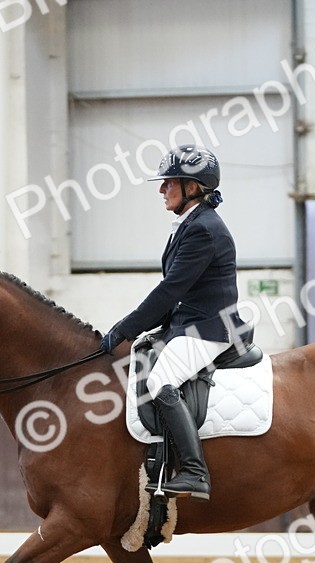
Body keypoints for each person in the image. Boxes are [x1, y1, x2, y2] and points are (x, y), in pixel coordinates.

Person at [99, 144, 253, 502]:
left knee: (161, 381)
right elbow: (181, 294)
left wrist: (125, 328)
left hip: (209, 329)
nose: (161, 189)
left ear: (193, 187)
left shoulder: (204, 230)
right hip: (189, 323)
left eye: (169, 182)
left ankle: (195, 472)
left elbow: (171, 290)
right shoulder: (190, 224)